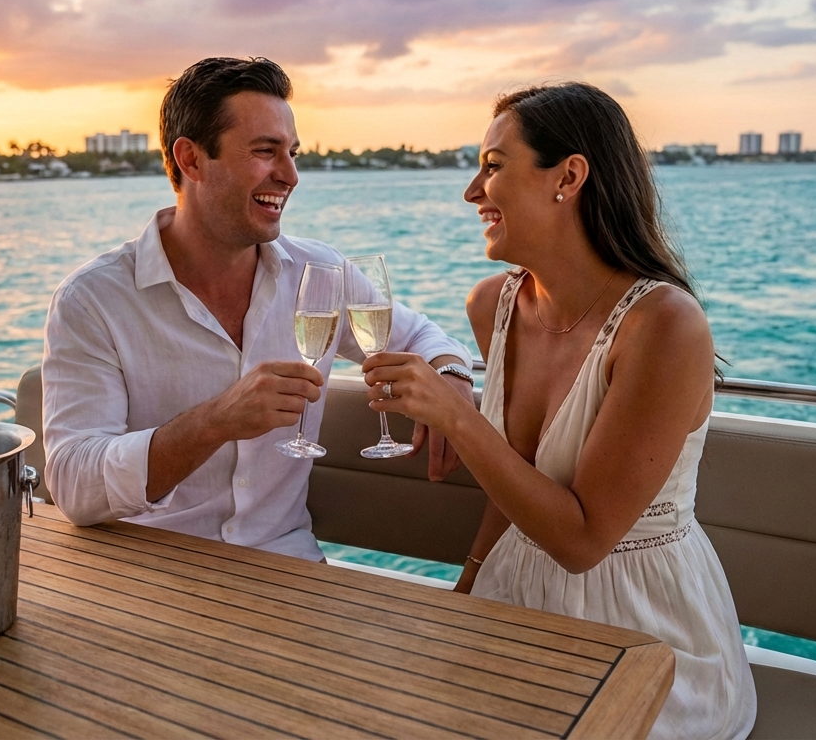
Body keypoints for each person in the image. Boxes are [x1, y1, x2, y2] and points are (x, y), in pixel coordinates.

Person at [359, 83, 757, 738]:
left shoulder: (665, 327)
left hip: (644, 632)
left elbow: (582, 541)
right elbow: (513, 482)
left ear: (568, 176)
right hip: (516, 603)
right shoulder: (496, 303)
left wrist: (456, 415)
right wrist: (465, 594)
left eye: (492, 167)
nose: (471, 193)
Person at [41, 57, 473, 561]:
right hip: (148, 570)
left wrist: (452, 377)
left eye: (291, 153)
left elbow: (419, 335)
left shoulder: (320, 273)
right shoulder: (94, 299)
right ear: (192, 160)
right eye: (265, 152)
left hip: (286, 566)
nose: (290, 175)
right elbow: (73, 482)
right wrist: (214, 422)